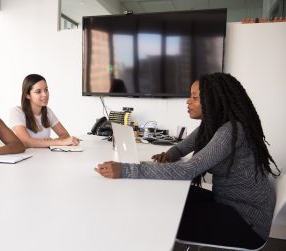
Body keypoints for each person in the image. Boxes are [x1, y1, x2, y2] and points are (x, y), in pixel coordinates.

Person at [94, 72, 280, 249]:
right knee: (167, 196)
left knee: (162, 215)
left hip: (247, 222)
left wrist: (126, 170)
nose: (188, 101)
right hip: (228, 202)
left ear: (214, 100)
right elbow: (182, 147)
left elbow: (188, 169)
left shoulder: (231, 130)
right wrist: (169, 155)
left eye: (195, 97)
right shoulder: (212, 126)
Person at [11, 74, 80, 148]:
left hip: (44, 157)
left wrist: (51, 142)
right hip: (27, 158)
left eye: (46, 90)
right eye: (38, 91)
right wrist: (55, 142)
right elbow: (27, 142)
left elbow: (65, 135)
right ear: (27, 95)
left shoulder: (47, 112)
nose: (45, 95)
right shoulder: (17, 112)